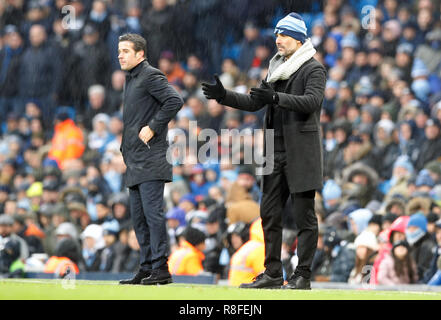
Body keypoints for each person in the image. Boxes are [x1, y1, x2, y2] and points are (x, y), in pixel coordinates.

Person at [202, 12, 327, 289]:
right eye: (277, 35)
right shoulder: (276, 68)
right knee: (269, 213)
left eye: (283, 35)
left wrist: (275, 97)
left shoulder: (313, 69)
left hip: (301, 153)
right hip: (273, 151)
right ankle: (272, 273)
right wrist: (224, 96)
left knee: (305, 215)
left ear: (298, 38)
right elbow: (254, 102)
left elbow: (311, 101)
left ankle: (302, 275)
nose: (277, 40)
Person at [117, 33, 183, 286]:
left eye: (125, 50)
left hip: (151, 158)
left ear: (140, 54)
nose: (120, 55)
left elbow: (174, 100)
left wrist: (154, 126)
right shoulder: (132, 78)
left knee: (152, 215)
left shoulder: (150, 75)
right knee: (139, 217)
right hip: (135, 159)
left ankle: (161, 269)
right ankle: (146, 267)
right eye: (119, 51)